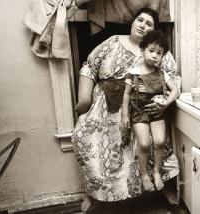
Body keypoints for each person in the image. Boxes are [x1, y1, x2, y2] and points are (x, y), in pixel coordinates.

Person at [71, 7, 181, 211]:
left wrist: (163, 99)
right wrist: (83, 99)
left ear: (154, 32)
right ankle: (94, 194)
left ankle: (163, 184)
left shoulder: (157, 50)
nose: (143, 25)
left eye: (149, 24)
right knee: (83, 136)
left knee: (156, 142)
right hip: (106, 107)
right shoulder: (112, 41)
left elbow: (173, 77)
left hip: (145, 108)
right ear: (132, 22)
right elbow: (89, 66)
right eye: (140, 20)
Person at [121, 30, 179, 192]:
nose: (155, 56)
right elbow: (126, 95)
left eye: (159, 53)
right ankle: (144, 174)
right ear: (143, 50)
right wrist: (125, 116)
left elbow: (175, 90)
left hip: (158, 112)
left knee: (160, 142)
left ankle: (156, 172)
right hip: (139, 112)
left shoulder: (162, 73)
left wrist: (166, 103)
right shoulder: (133, 73)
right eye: (151, 51)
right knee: (145, 144)